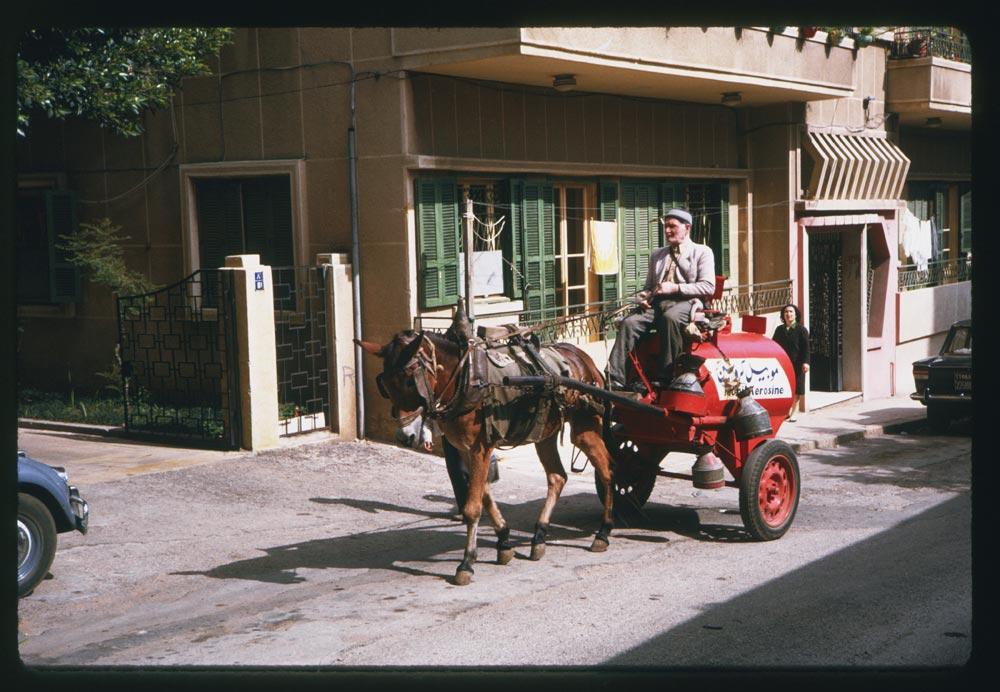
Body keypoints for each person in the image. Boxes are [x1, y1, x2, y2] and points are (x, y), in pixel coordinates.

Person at [607, 208, 716, 390]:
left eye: (672, 226)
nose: (667, 231)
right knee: (629, 323)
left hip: (687, 303)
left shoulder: (702, 252)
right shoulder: (658, 255)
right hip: (657, 303)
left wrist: (675, 288)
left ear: (687, 228)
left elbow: (708, 286)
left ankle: (665, 376)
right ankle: (615, 377)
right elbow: (649, 288)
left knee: (670, 318)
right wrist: (644, 296)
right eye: (666, 227)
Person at [772, 303, 810, 422]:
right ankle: (786, 412)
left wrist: (806, 362)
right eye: (786, 312)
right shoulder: (780, 329)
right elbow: (774, 345)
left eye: (791, 312)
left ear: (795, 314)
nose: (788, 314)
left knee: (797, 388)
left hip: (797, 363)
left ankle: (794, 412)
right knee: (785, 387)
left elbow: (806, 348)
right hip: (783, 363)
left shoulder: (801, 330)